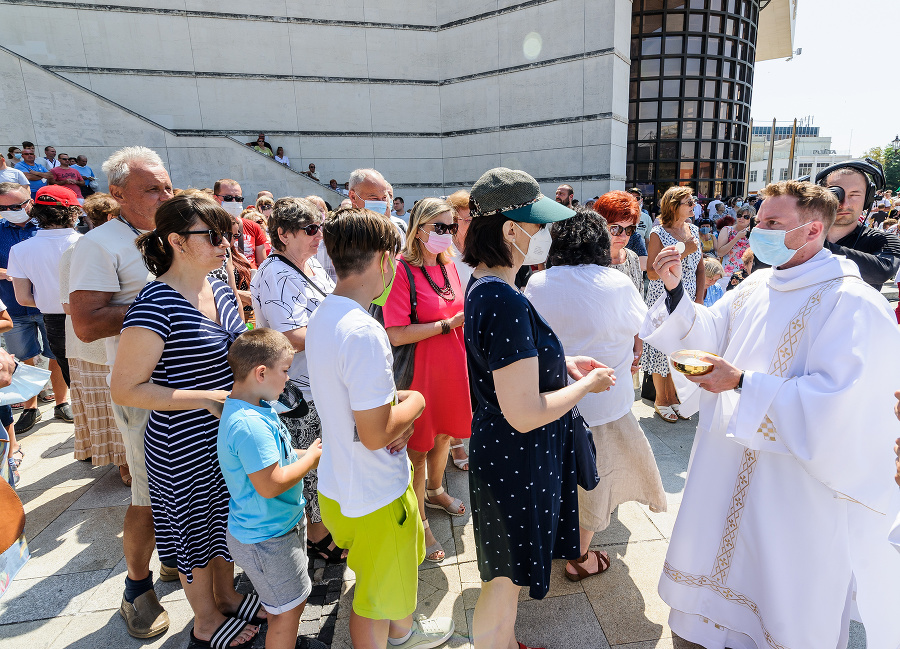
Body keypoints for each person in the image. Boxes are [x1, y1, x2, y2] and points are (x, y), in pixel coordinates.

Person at [642, 179, 900, 649]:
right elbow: (708, 332)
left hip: (794, 481)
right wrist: (677, 289)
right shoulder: (758, 284)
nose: (757, 231)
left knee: (781, 586)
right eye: (758, 221)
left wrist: (744, 383)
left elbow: (841, 401)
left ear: (812, 230)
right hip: (726, 460)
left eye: (771, 224)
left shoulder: (851, 301)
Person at [462, 168, 615, 649]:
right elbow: (525, 411)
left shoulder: (484, 285)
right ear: (510, 230)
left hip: (506, 453)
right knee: (504, 581)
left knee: (505, 576)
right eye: (538, 225)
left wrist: (561, 365)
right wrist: (588, 384)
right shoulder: (503, 297)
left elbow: (504, 367)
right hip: (517, 456)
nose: (546, 236)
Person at [111, 194, 262, 649]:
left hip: (225, 432)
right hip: (182, 439)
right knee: (192, 528)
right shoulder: (155, 302)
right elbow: (126, 388)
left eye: (228, 235)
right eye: (213, 236)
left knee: (223, 521)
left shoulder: (218, 285)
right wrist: (207, 397)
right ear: (176, 241)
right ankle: (204, 619)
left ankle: (226, 595)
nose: (225, 244)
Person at [306, 206, 455, 649]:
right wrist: (417, 400)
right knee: (370, 601)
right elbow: (376, 433)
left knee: (386, 578)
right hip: (374, 492)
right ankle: (397, 637)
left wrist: (396, 407)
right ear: (385, 259)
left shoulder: (325, 313)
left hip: (340, 483)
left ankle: (405, 632)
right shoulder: (362, 330)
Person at [525, 208, 665, 583]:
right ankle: (580, 556)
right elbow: (647, 328)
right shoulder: (617, 283)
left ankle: (556, 539)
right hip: (604, 405)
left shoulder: (538, 284)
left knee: (557, 479)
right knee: (592, 484)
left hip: (551, 403)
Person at [68, 146, 174, 638]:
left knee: (191, 483)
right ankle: (137, 587)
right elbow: (87, 323)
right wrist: (160, 306)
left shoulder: (170, 234)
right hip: (141, 389)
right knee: (147, 495)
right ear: (117, 194)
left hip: (192, 382)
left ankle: (179, 560)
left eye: (167, 186)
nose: (165, 195)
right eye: (152, 188)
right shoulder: (101, 244)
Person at [218, 328, 326, 649]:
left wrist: (308, 455)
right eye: (286, 371)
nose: (288, 379)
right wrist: (312, 460)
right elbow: (270, 483)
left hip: (274, 532)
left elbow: (280, 459)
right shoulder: (250, 425)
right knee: (288, 611)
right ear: (261, 372)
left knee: (288, 602)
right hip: (268, 540)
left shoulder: (257, 407)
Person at [250, 196, 344, 564]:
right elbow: (291, 335)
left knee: (323, 458)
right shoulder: (275, 274)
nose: (318, 235)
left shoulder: (311, 267)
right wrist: (342, 330)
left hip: (320, 381)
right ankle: (317, 537)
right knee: (311, 463)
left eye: (320, 227)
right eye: (310, 229)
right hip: (296, 389)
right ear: (284, 234)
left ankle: (325, 526)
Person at [382, 198, 471, 563]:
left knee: (445, 434)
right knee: (417, 450)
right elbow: (396, 332)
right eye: (440, 227)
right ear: (418, 229)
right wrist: (448, 325)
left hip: (451, 367)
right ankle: (420, 523)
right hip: (420, 372)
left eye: (452, 226)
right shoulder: (402, 270)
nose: (448, 234)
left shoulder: (449, 266)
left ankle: (436, 491)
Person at [61, 193, 129, 484]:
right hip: (96, 342)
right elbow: (71, 305)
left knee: (107, 403)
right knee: (111, 404)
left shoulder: (76, 250)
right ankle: (126, 465)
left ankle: (126, 463)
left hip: (98, 342)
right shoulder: (82, 250)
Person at [0, 182, 69, 434]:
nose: (11, 210)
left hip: (48, 306)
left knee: (57, 355)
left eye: (16, 205)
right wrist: (12, 273)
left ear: (30, 201)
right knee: (23, 358)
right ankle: (30, 407)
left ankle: (61, 402)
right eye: (4, 207)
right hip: (13, 308)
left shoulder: (49, 228)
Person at [8, 185, 80, 408]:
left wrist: (52, 300)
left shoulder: (20, 250)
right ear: (73, 213)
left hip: (54, 320)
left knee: (75, 382)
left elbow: (23, 298)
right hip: (89, 315)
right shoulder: (86, 243)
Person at [643, 186, 703, 423]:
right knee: (662, 347)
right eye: (688, 202)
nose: (693, 205)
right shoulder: (658, 233)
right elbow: (652, 273)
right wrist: (683, 250)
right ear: (673, 205)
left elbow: (700, 269)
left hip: (688, 299)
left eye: (693, 201)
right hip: (663, 297)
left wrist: (699, 298)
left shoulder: (695, 230)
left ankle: (675, 397)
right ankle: (661, 399)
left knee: (681, 348)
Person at [820, 161, 900, 289]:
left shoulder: (885, 240)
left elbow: (882, 271)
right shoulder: (800, 234)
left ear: (868, 199)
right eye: (836, 194)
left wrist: (814, 247)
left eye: (854, 194)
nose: (844, 204)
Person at [445, 190, 473, 471]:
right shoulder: (445, 251)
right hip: (452, 324)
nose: (473, 223)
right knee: (456, 382)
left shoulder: (477, 247)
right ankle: (455, 441)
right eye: (467, 219)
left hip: (475, 323)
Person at [596, 191, 644, 297]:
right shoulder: (588, 262)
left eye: (629, 229)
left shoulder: (633, 257)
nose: (623, 236)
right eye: (615, 228)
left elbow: (639, 299)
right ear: (599, 226)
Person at [214, 179, 267, 268]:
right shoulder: (208, 227)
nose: (234, 202)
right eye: (228, 198)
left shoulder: (253, 226)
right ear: (216, 199)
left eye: (238, 198)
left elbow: (262, 264)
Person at [347, 168, 406, 237]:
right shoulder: (339, 230)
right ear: (353, 197)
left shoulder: (396, 232)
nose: (381, 203)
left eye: (384, 198)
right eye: (374, 198)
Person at [716, 204, 754, 276]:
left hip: (748, 272)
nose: (741, 218)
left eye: (746, 217)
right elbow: (720, 253)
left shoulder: (754, 233)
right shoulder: (727, 230)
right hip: (728, 272)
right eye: (739, 215)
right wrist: (736, 238)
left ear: (751, 219)